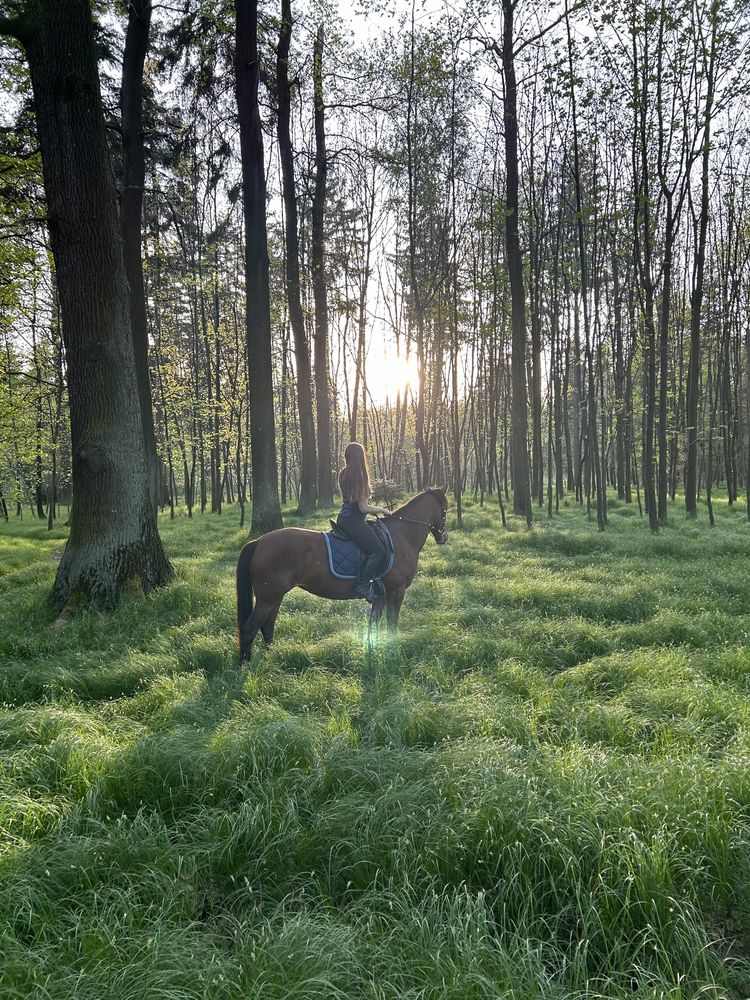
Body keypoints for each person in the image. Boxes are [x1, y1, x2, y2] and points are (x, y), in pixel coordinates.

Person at [337, 442, 390, 599]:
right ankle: (363, 584)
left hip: (343, 519)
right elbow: (363, 508)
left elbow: (352, 502)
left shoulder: (343, 473)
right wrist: (382, 510)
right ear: (361, 457)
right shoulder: (360, 475)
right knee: (379, 551)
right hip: (353, 521)